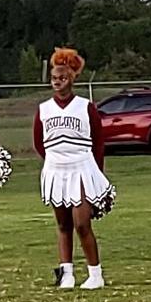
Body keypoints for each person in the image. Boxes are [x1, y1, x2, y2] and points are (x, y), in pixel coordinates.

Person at [37, 48, 113, 289]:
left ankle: (95, 273)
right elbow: (40, 142)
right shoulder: (44, 108)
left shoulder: (85, 106)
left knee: (82, 222)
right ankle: (66, 272)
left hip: (81, 167)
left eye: (63, 77)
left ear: (72, 78)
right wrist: (53, 160)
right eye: (54, 78)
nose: (58, 82)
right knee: (62, 223)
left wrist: (96, 173)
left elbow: (98, 141)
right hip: (56, 168)